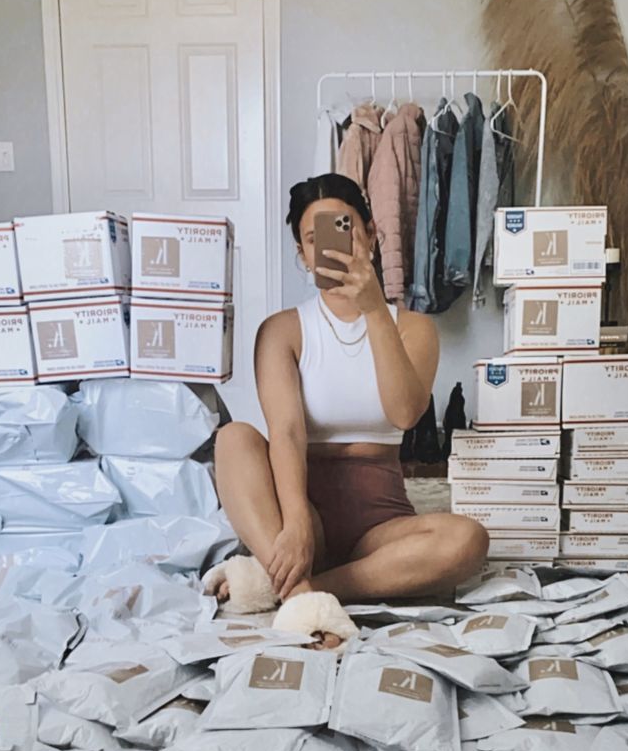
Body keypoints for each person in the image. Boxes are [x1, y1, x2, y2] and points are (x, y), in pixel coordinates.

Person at [204, 173, 489, 647]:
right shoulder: (282, 331)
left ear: (371, 234)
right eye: (313, 238)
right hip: (301, 506)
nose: (330, 244)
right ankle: (298, 584)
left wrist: (376, 309)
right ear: (302, 254)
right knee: (233, 439)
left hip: (379, 525)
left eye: (343, 227)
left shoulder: (414, 328)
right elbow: (288, 433)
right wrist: (295, 524)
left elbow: (404, 415)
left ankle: (303, 590)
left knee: (467, 540)